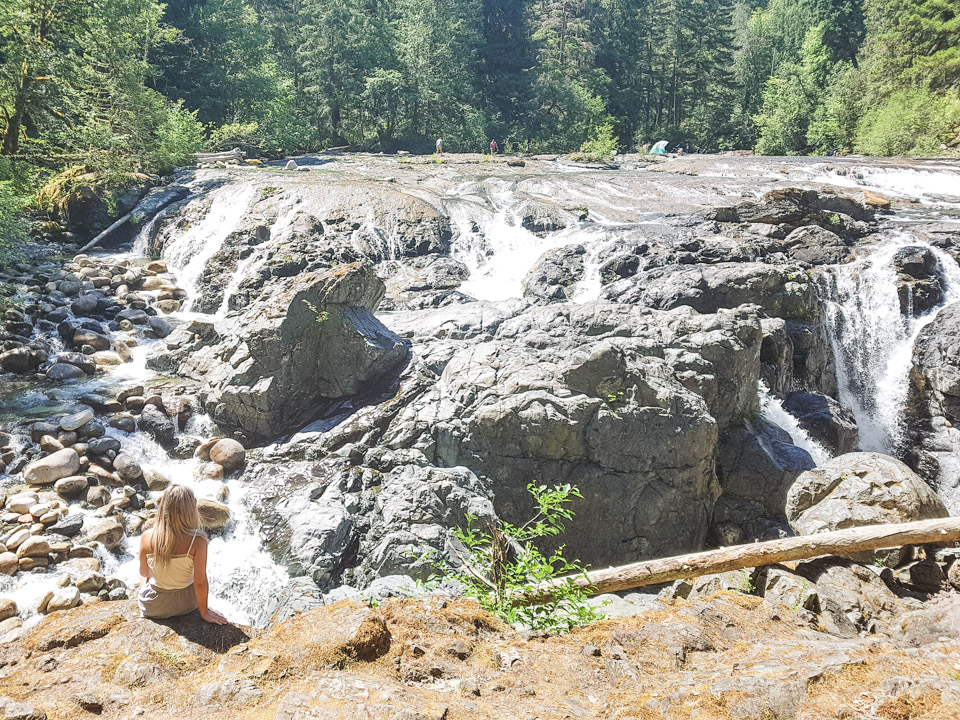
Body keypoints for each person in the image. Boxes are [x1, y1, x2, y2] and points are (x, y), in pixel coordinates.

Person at [138, 485, 228, 624]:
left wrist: (146, 587)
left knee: (146, 580)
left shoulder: (147, 536)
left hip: (154, 606)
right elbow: (200, 582)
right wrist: (204, 612)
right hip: (186, 604)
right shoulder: (198, 540)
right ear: (191, 510)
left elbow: (144, 573)